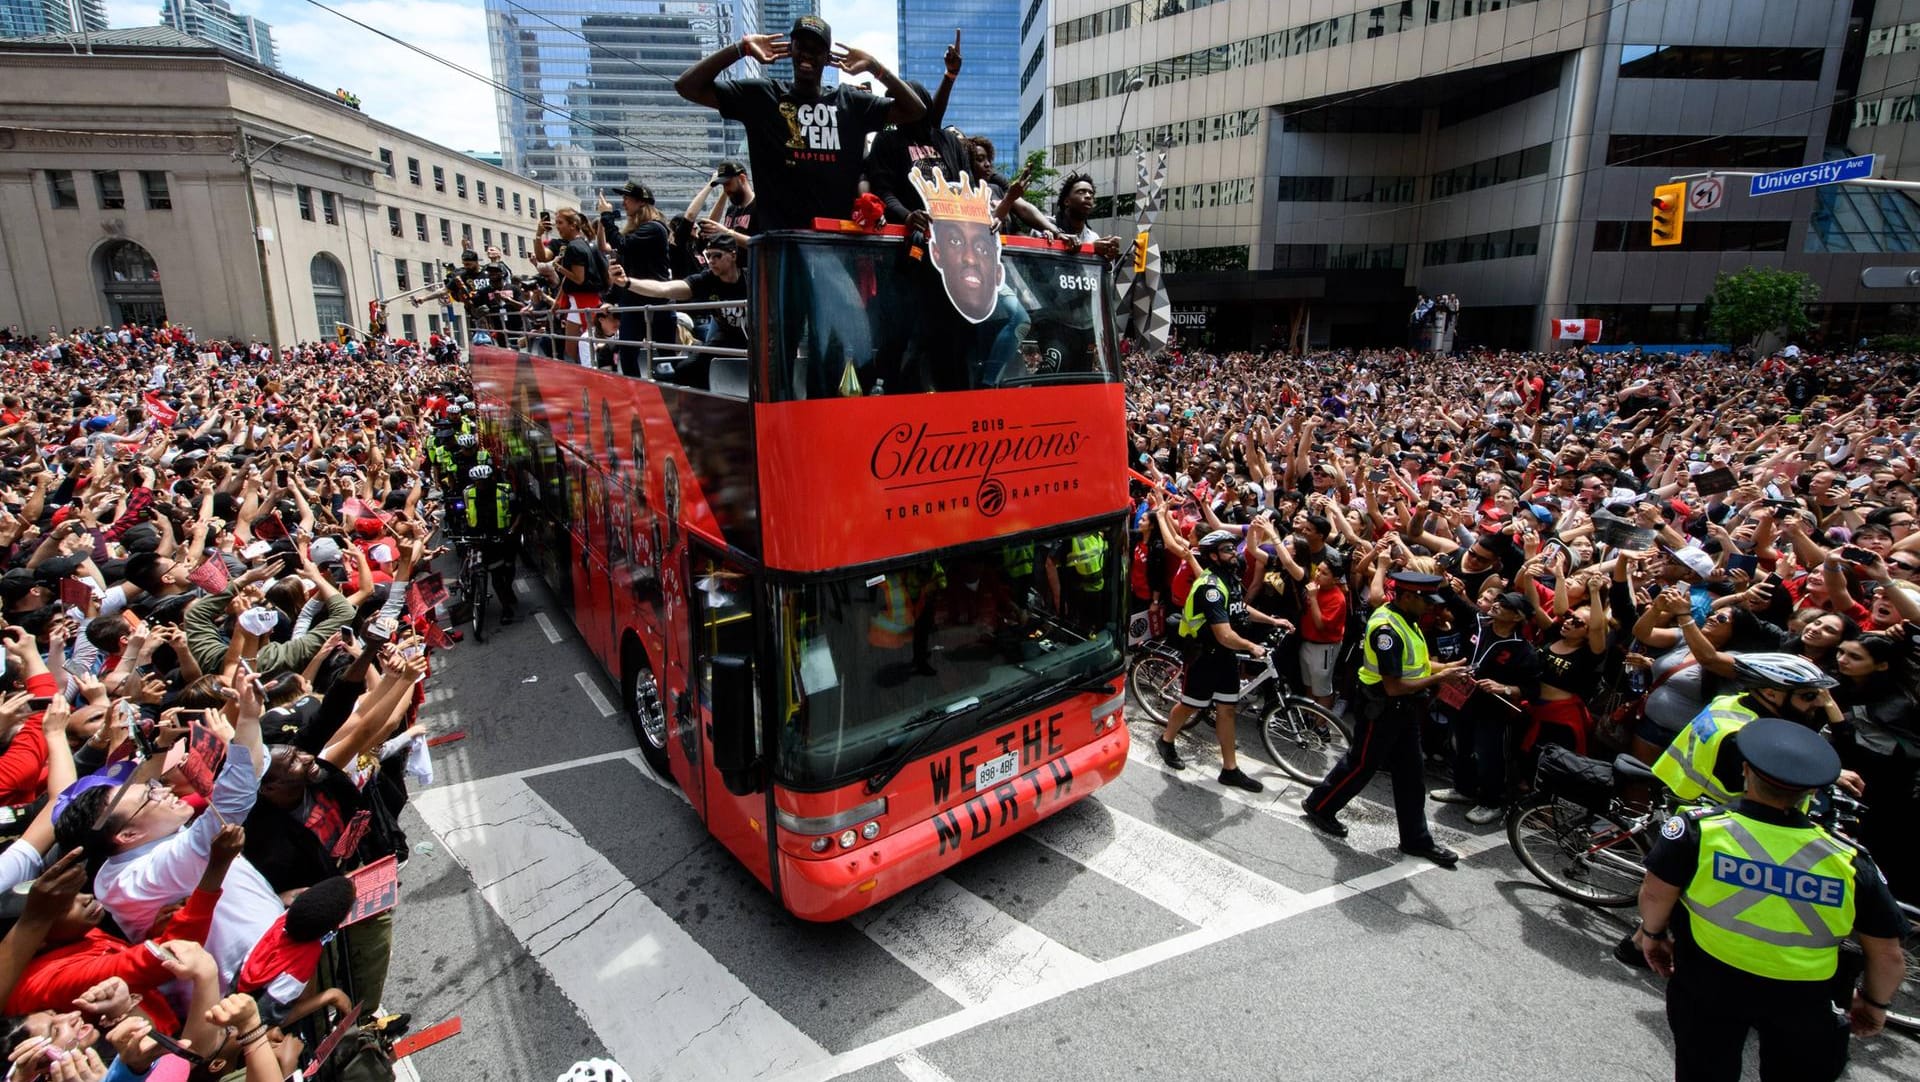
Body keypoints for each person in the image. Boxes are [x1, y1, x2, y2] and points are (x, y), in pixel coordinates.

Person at [1632, 718, 1909, 1082]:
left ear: (1745, 771)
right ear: (1811, 791)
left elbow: (1654, 894)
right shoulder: (1850, 861)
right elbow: (1888, 955)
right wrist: (1875, 1004)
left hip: (1708, 983)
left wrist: (1652, 937)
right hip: (1805, 1000)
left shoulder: (1699, 832)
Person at [673, 14, 925, 230]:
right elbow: (687, 87)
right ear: (790, 49)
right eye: (801, 46)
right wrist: (742, 48)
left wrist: (875, 67)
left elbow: (915, 110)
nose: (807, 55)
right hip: (780, 253)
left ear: (827, 57)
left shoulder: (850, 103)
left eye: (816, 49)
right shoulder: (763, 96)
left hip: (836, 248)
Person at [1302, 571, 1469, 866]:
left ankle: (1416, 839)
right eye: (1425, 600)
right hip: (1382, 708)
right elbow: (1394, 686)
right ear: (1406, 597)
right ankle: (1320, 806)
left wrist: (1443, 667)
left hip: (1405, 710)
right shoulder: (1386, 630)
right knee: (1362, 765)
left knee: (1412, 775)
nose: (1430, 606)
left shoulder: (1407, 619)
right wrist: (1440, 677)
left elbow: (1414, 663)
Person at [1156, 530, 1290, 792]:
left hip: (1224, 655)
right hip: (1204, 657)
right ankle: (1166, 740)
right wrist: (1252, 647)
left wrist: (1272, 620)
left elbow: (1240, 607)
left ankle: (1230, 770)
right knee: (1189, 706)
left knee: (1227, 710)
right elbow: (1224, 634)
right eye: (1228, 550)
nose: (1235, 554)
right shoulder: (1211, 588)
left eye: (1233, 548)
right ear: (1214, 556)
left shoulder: (1229, 579)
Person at [607, 234, 748, 389]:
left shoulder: (753, 278)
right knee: (685, 370)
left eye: (717, 255)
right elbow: (664, 289)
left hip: (757, 341)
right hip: (727, 338)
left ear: (733, 255)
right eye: (708, 255)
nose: (712, 260)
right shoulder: (707, 279)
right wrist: (627, 282)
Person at [600, 181, 673, 377]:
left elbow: (622, 244)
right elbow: (625, 270)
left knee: (666, 357)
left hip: (655, 299)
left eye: (627, 198)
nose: (623, 202)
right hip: (632, 300)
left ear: (641, 202)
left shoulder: (655, 228)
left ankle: (670, 400)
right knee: (627, 355)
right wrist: (610, 299)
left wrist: (606, 216)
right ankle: (636, 397)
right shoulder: (636, 231)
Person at [455, 462, 520, 625]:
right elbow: (461, 514)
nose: (481, 485)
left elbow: (518, 513)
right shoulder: (468, 494)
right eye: (478, 482)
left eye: (484, 481)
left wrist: (510, 531)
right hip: (476, 540)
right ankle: (466, 584)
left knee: (499, 577)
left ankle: (506, 610)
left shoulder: (504, 492)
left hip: (497, 539)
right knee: (469, 561)